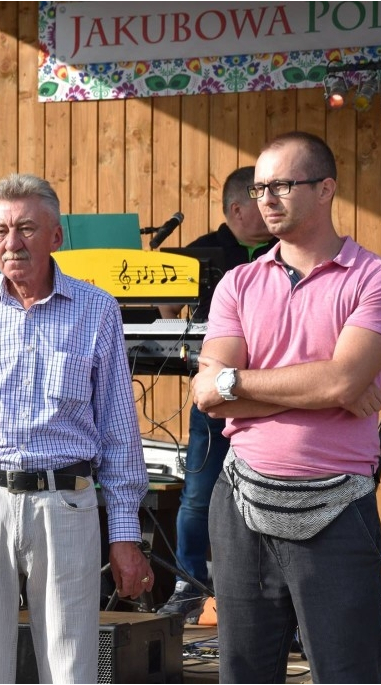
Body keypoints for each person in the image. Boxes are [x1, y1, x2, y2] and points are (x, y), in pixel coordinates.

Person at [191, 131, 381, 683]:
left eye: (282, 185)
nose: (266, 198)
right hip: (238, 502)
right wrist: (321, 389)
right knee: (244, 674)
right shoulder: (238, 283)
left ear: (326, 189)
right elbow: (206, 395)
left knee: (347, 674)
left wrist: (240, 385)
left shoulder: (377, 279)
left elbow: (339, 382)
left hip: (336, 508)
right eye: (261, 186)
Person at [0, 172, 154, 683]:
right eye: (1, 229)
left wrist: (124, 534)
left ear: (56, 237)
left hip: (67, 502)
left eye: (27, 228)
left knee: (71, 667)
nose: (12, 242)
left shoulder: (96, 310)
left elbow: (119, 427)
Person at [155, 166, 276, 622]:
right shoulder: (201, 251)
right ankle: (189, 584)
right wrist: (176, 328)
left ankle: (263, 593)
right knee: (198, 493)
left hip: (268, 392)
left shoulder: (284, 251)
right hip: (216, 391)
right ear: (236, 208)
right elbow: (163, 298)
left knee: (269, 490)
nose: (268, 208)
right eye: (259, 199)